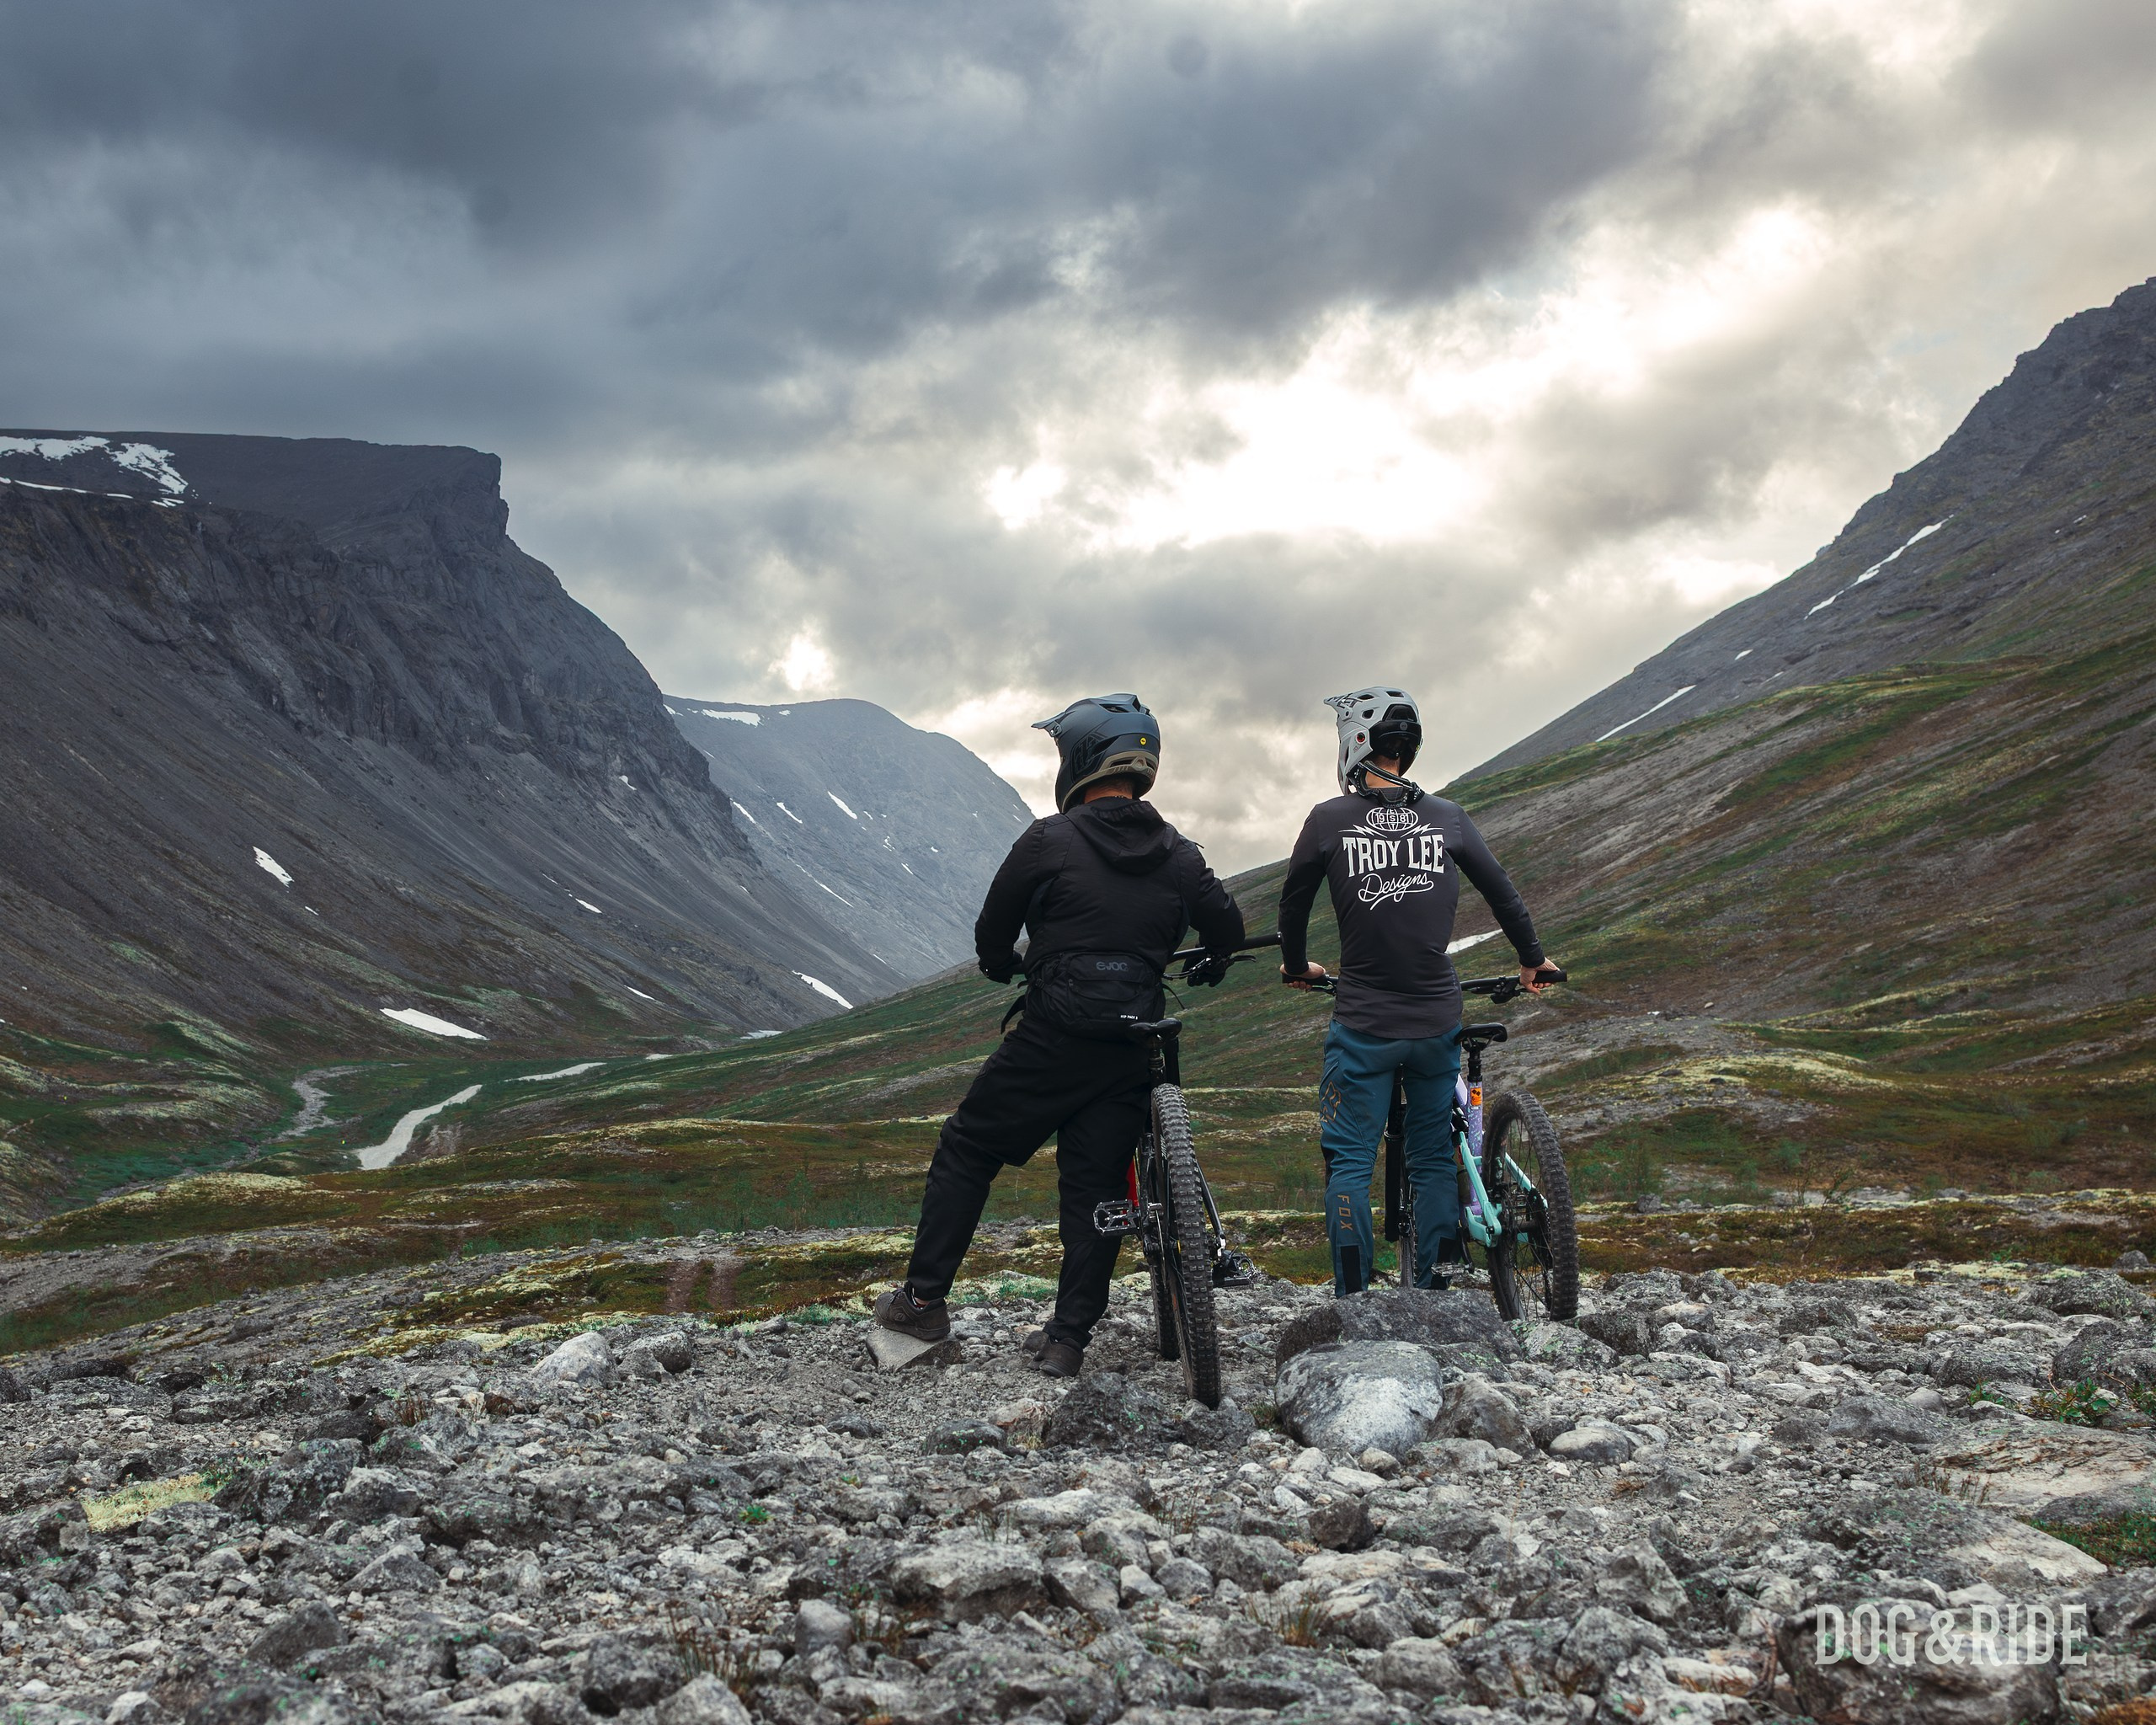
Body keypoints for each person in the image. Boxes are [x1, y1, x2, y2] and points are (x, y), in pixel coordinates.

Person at [873, 694, 1245, 1377]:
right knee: (1098, 1191)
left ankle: (923, 1301)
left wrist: (1000, 964)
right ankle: (1067, 1340)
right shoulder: (1180, 853)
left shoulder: (1048, 839)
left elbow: (993, 931)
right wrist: (1215, 959)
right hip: (1130, 1045)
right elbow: (1228, 928)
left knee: (969, 1146)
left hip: (1051, 1038)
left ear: (1079, 760)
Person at [1278, 686, 1561, 1296]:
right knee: (1432, 1157)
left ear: (1356, 743)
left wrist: (1298, 965)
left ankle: (1355, 1300)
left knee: (1350, 1159)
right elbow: (1503, 892)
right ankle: (1433, 1290)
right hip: (1436, 1023)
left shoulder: (1328, 820)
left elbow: (1293, 906)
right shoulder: (1449, 817)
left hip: (1363, 1026)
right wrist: (1532, 960)